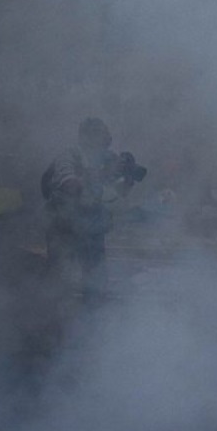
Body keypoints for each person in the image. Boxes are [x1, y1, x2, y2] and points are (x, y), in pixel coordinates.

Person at [41, 117, 146, 300]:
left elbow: (115, 195)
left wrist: (128, 179)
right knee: (59, 283)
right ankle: (53, 322)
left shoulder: (106, 158)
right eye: (102, 133)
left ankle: (93, 321)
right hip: (64, 228)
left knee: (96, 286)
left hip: (92, 229)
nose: (107, 138)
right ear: (87, 136)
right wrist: (104, 173)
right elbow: (70, 186)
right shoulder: (70, 155)